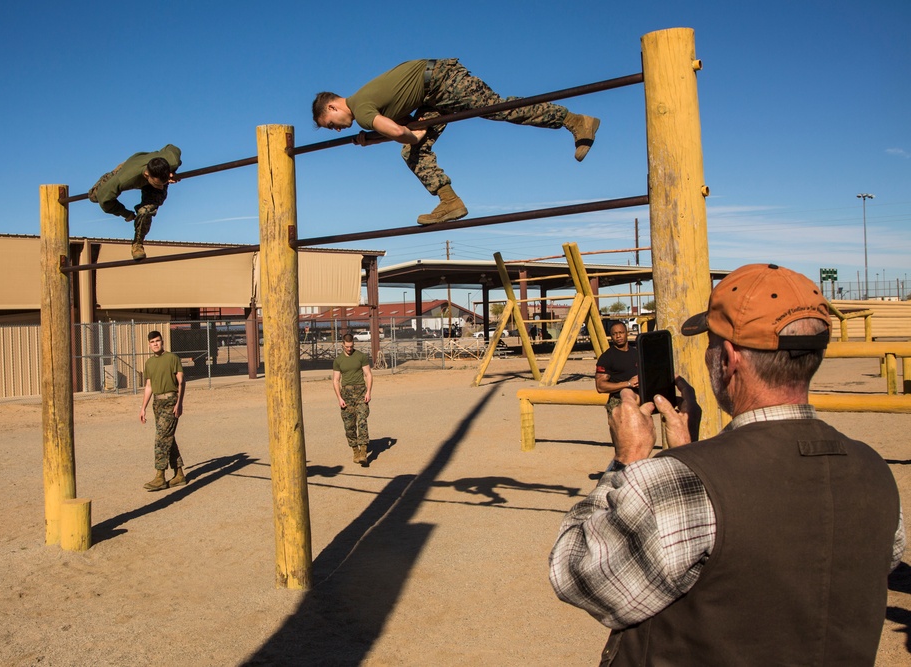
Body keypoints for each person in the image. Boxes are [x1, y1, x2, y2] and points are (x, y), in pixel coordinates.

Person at [549, 263, 905, 665]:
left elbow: (576, 574)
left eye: (712, 344)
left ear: (729, 359)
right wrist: (689, 450)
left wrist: (626, 459)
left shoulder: (685, 483)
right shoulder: (874, 470)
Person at [312, 59, 599, 225]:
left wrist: (413, 135)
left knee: (497, 109)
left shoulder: (361, 109)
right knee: (413, 153)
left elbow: (402, 132)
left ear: (333, 108)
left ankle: (574, 120)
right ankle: (450, 202)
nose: (335, 130)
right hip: (432, 90)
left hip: (442, 81)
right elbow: (401, 127)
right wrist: (374, 140)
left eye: (330, 125)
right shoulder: (366, 105)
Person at [88, 144, 182, 261]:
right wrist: (126, 213)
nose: (161, 188)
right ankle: (110, 177)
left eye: (164, 183)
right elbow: (105, 201)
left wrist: (171, 171)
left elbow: (171, 147)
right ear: (147, 175)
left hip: (155, 169)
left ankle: (137, 244)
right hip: (129, 167)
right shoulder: (125, 179)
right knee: (94, 196)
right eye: (159, 184)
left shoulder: (172, 161)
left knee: (145, 211)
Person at [139, 330, 187, 491]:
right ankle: (179, 474)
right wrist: (143, 408)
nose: (155, 344)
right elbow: (149, 386)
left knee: (161, 438)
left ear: (162, 341)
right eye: (152, 342)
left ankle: (160, 476)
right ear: (149, 344)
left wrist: (179, 403)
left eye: (158, 341)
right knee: (168, 437)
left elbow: (181, 382)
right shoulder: (149, 363)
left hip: (170, 401)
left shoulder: (172, 358)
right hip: (157, 403)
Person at [332, 333, 373, 466]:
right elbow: (336, 380)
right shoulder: (338, 360)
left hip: (360, 392)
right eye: (347, 346)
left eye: (351, 346)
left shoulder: (360, 356)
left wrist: (368, 391)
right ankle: (355, 451)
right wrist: (339, 398)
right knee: (349, 425)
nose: (349, 349)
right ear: (342, 344)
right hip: (346, 395)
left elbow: (368, 374)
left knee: (362, 421)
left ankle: (363, 452)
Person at [594, 321, 639, 416]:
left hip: (638, 400)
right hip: (619, 402)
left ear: (627, 333)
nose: (618, 336)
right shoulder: (607, 358)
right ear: (611, 337)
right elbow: (600, 386)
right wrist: (628, 383)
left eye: (621, 332)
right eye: (614, 334)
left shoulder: (637, 353)